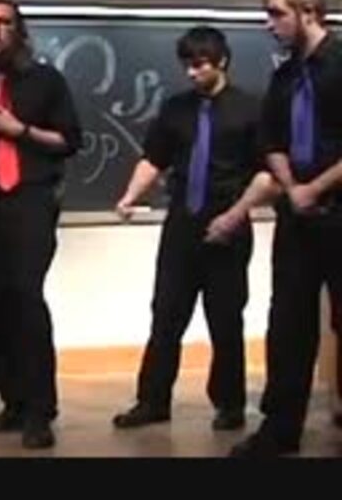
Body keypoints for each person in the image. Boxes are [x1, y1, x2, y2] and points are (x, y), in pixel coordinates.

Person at [111, 26, 278, 432]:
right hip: (182, 224)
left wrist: (235, 215)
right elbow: (154, 159)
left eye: (200, 64)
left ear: (222, 61)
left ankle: (229, 404)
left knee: (225, 320)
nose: (191, 72)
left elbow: (267, 175)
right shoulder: (175, 108)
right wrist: (130, 196)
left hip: (229, 221)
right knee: (165, 316)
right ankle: (152, 401)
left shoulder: (251, 109)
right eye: (186, 65)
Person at [0, 0, 82, 449]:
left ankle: (40, 410)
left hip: (30, 200)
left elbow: (69, 140)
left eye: (5, 22)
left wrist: (20, 130)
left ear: (19, 32)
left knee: (26, 297)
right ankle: (13, 402)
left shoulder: (45, 80)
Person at [231, 0, 342, 457]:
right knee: (289, 324)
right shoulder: (283, 77)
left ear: (308, 12)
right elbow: (270, 141)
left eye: (277, 13)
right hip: (297, 218)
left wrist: (316, 187)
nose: (268, 23)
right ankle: (280, 429)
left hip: (338, 211)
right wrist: (295, 188)